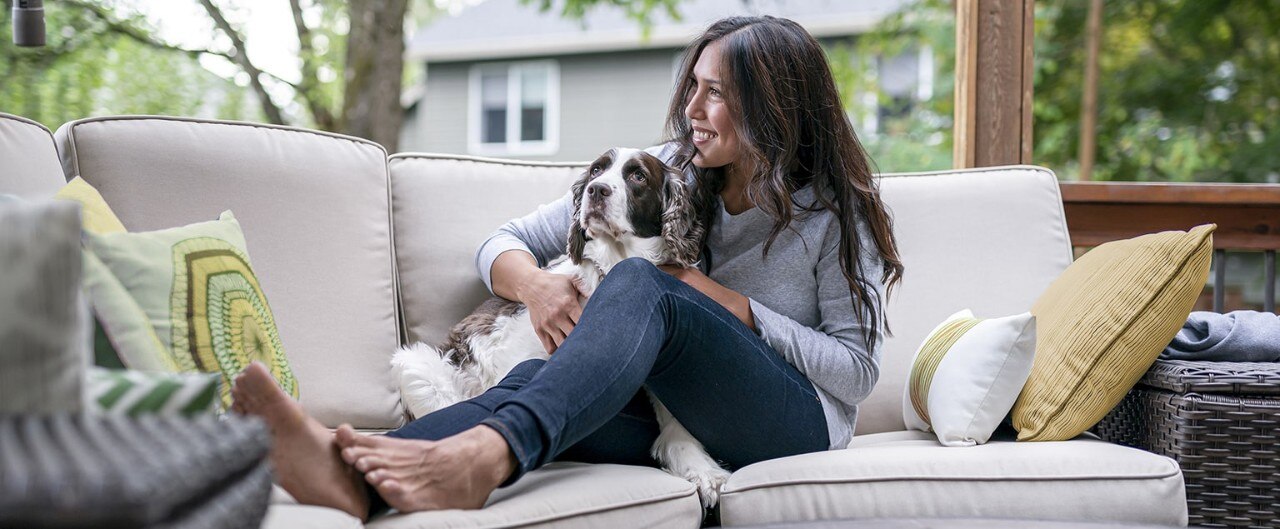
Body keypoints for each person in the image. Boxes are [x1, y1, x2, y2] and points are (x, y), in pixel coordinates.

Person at [231, 15, 904, 520]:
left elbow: (856, 370)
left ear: (774, 106)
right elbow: (504, 241)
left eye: (718, 94)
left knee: (642, 280)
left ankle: (488, 458)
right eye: (693, 87)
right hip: (682, 414)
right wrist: (537, 285)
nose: (694, 110)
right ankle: (348, 471)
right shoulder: (674, 170)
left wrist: (734, 306)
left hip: (791, 422)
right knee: (533, 374)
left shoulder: (834, 214)